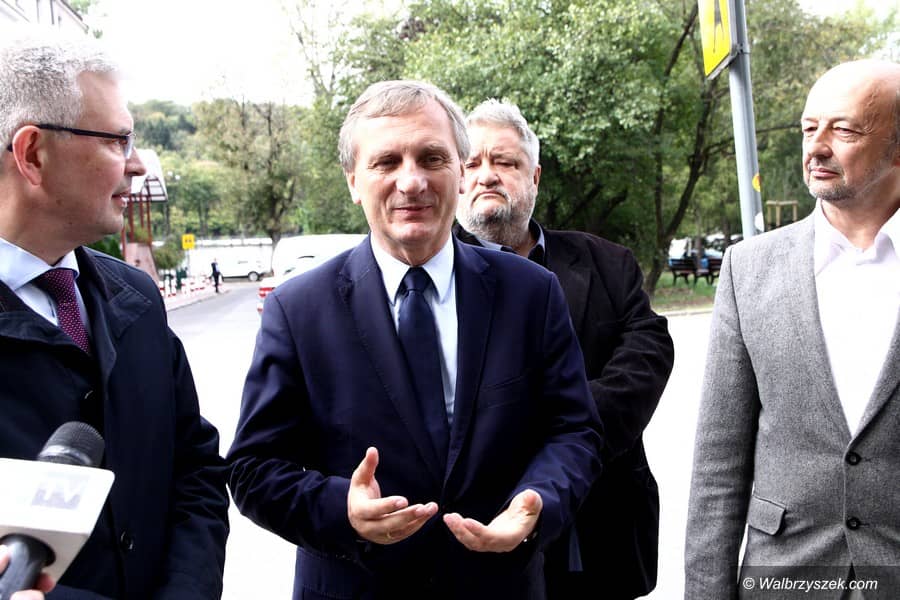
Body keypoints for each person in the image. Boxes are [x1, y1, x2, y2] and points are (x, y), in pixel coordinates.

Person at [226, 80, 603, 599]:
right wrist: (342, 510)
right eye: (386, 162)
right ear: (353, 180)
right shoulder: (298, 309)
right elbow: (253, 469)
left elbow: (575, 431)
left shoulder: (530, 293)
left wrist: (538, 501)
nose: (412, 182)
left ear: (460, 171)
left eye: (432, 158)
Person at [0, 28, 229, 598]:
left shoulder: (138, 299)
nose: (137, 165)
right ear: (33, 154)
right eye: (118, 141)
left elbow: (196, 470)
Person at [684, 59, 900, 599]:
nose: (817, 147)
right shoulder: (748, 268)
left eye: (844, 130)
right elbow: (718, 464)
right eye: (809, 128)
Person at [454, 99, 674, 599]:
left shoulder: (608, 263)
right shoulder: (435, 277)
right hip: (486, 537)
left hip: (604, 531)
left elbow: (647, 356)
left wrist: (565, 433)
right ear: (458, 178)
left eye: (505, 162)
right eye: (473, 163)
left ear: (534, 177)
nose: (487, 175)